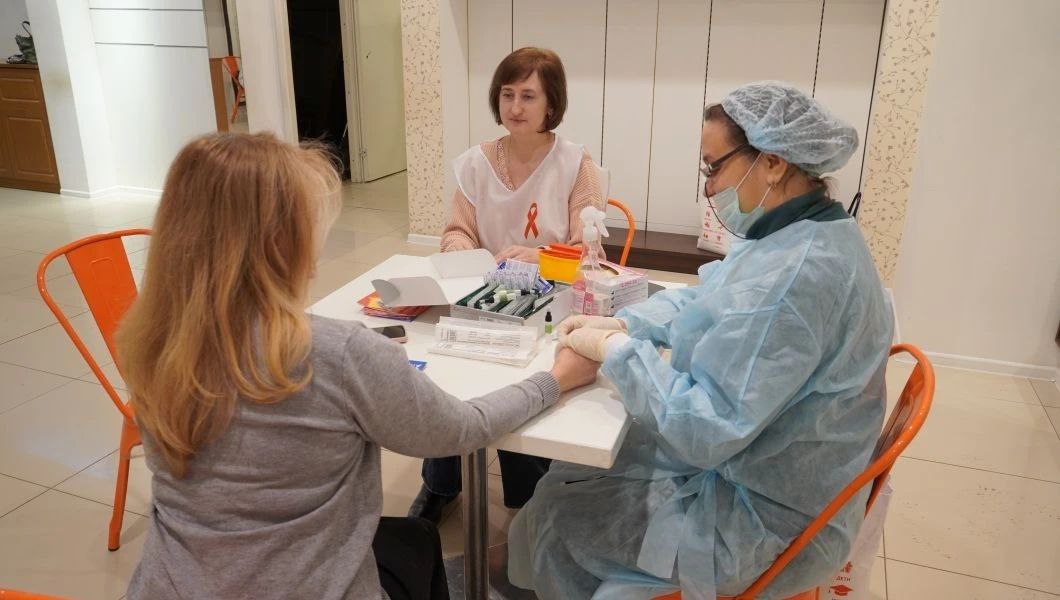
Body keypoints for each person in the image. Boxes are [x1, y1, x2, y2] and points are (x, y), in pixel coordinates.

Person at [115, 132, 599, 600]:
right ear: (280, 243)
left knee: (412, 538)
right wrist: (554, 380)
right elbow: (461, 428)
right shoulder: (336, 354)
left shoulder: (153, 346)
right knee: (415, 541)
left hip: (169, 583)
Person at [507, 81, 894, 599]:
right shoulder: (800, 232)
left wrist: (619, 355)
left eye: (714, 168)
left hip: (763, 523)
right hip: (758, 466)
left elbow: (706, 427)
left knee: (561, 512)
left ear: (773, 162)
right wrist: (629, 325)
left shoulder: (797, 276)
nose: (708, 189)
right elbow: (709, 298)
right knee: (571, 476)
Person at [410, 47, 604, 525]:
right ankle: (440, 484)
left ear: (551, 103)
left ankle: (526, 497)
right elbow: (457, 231)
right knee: (448, 383)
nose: (515, 107)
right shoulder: (476, 163)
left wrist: (540, 256)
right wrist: (464, 254)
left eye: (528, 96)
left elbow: (587, 250)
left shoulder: (575, 163)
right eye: (507, 94)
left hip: (549, 305)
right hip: (484, 299)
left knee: (525, 387)